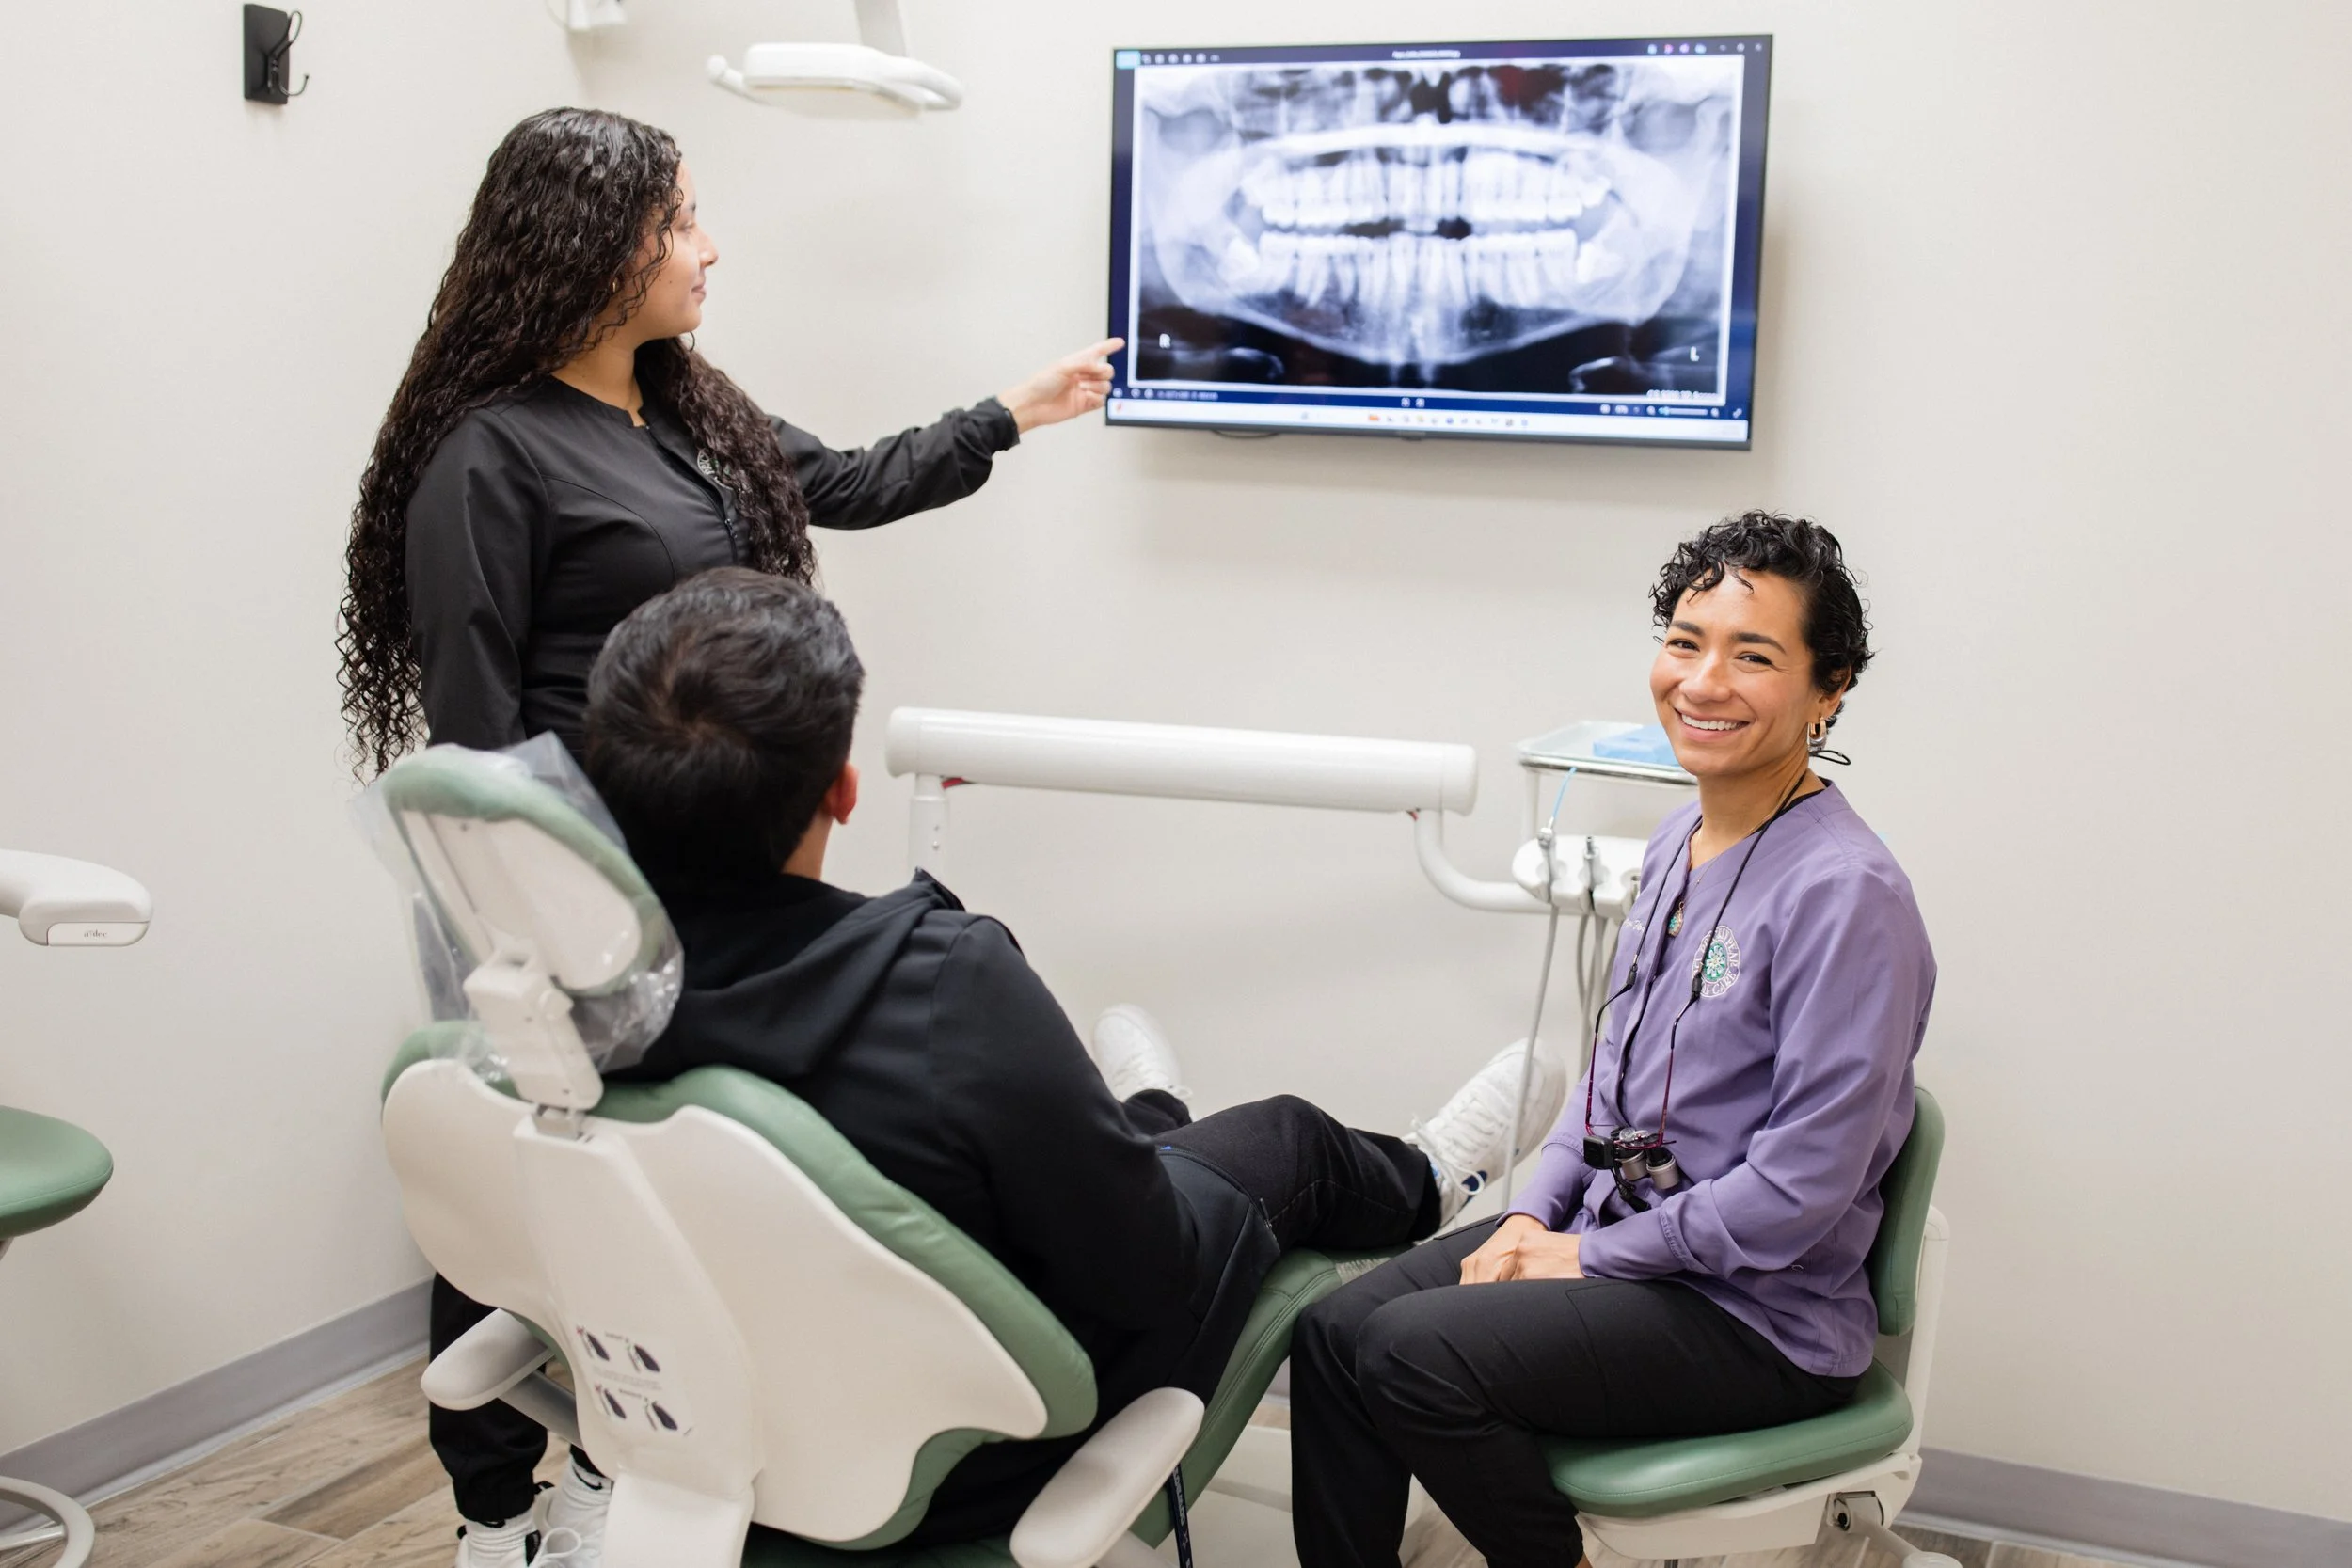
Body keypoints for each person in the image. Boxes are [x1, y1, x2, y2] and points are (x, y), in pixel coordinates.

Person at [330, 105, 1115, 1566]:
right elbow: (475, 745)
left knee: (683, 1191)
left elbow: (848, 482)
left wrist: (1013, 410)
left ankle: (653, 1451)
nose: (707, 246)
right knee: (544, 1181)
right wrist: (548, 929)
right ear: (593, 245)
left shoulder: (685, 405)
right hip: (576, 903)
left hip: (716, 880)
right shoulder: (489, 455)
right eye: (679, 219)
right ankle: (495, 1500)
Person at [431, 566, 1559, 1568]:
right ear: (841, 790)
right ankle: (1424, 1177)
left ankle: (1146, 1109)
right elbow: (1144, 1275)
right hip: (978, 1453)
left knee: (1104, 1138)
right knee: (1284, 1138)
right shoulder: (941, 984)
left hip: (700, 1432)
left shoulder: (552, 1005)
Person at [1288, 512, 1937, 1568]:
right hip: (1622, 1242)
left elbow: (1799, 1189)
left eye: (1753, 655)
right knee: (1330, 1332)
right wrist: (1531, 1215)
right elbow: (1608, 1083)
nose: (1703, 681)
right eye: (1685, 642)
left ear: (1830, 688)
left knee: (1410, 1353)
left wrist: (1584, 1253)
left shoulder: (1846, 894)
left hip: (1752, 1315)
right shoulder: (1681, 835)